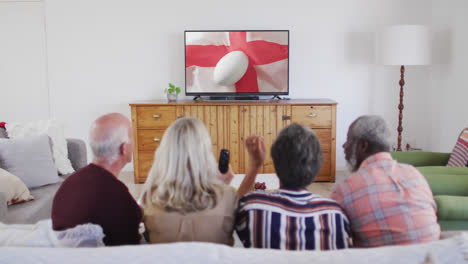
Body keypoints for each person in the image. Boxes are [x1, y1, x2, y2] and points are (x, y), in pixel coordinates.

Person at [236, 123, 351, 250]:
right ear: (317, 165)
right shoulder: (335, 216)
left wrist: (255, 165)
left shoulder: (252, 208)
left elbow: (232, 212)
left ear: (275, 161)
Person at [331, 115, 440, 247]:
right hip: (432, 257)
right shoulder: (414, 173)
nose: (344, 146)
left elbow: (335, 239)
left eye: (348, 140)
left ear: (363, 146)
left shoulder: (345, 190)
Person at [139, 117, 238, 245]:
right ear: (205, 153)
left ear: (166, 152)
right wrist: (223, 185)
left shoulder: (150, 197)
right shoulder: (228, 196)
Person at [52, 113, 142, 246]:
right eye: (132, 137)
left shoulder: (69, 184)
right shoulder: (118, 197)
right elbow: (131, 250)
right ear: (124, 148)